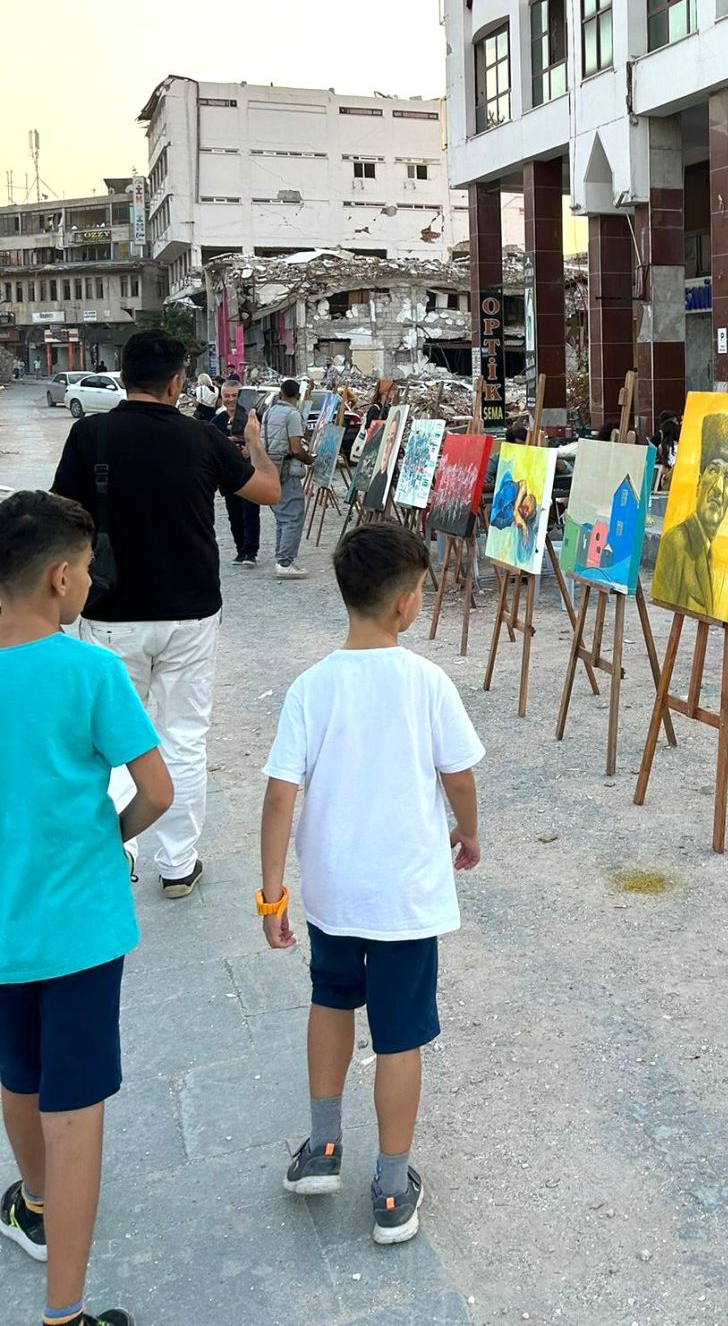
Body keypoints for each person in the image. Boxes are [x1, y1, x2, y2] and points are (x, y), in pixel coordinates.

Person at [259, 523, 483, 1246]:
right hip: (405, 899)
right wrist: (469, 831)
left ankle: (322, 1147)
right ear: (407, 604)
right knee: (398, 1038)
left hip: (332, 892)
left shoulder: (310, 687)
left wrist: (272, 891)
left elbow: (278, 794)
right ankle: (391, 1188)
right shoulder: (426, 682)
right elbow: (458, 775)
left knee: (329, 1001)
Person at [0, 490, 173, 1326]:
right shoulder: (90, 670)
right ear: (61, 579)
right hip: (76, 925)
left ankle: (30, 1203)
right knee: (77, 1109)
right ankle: (63, 1312)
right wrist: (113, 835)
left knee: (17, 1072)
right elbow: (157, 792)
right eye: (89, 568)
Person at [52, 328, 281, 898]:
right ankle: (178, 863)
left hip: (109, 612)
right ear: (178, 381)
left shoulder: (90, 436)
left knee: (109, 739)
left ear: (124, 376)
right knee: (183, 738)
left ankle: (115, 856)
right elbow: (269, 492)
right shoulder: (202, 439)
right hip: (191, 614)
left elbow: (59, 518)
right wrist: (253, 440)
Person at [651, 410, 728, 617]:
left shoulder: (715, 548)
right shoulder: (678, 542)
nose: (718, 487)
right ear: (699, 482)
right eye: (713, 471)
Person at [261, 380, 313, 580]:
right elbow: (295, 448)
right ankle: (285, 562)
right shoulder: (292, 415)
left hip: (270, 467)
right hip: (287, 469)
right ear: (298, 396)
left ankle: (282, 558)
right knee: (293, 516)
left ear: (281, 393)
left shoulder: (269, 412)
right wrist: (309, 460)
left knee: (282, 517)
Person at [212, 382, 260, 566]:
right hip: (228, 476)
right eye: (227, 396)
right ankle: (240, 549)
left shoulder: (253, 419)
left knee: (250, 512)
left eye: (234, 395)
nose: (231, 399)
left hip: (250, 473)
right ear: (221, 397)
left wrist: (250, 448)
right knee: (234, 514)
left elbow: (262, 442)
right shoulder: (217, 422)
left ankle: (250, 551)